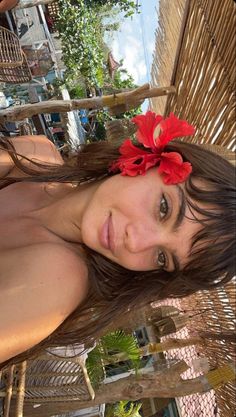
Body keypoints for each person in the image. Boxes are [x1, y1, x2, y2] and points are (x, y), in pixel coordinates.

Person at [0, 111, 235, 370]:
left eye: (161, 257)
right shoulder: (35, 154)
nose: (136, 243)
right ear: (146, 161)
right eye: (164, 208)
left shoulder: (60, 278)